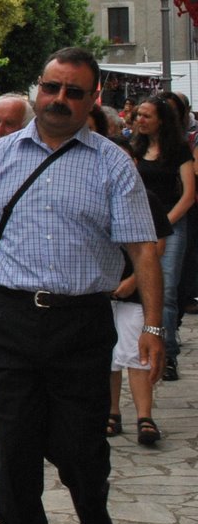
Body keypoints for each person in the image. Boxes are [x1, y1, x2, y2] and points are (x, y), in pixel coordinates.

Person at [0, 47, 163, 524]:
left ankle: (92, 505)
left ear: (92, 100)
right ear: (37, 89)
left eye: (74, 92)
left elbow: (142, 249)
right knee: (14, 453)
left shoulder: (114, 165)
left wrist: (154, 330)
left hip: (81, 323)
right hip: (13, 319)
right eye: (52, 88)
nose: (60, 100)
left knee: (78, 446)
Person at [109, 136, 171, 447]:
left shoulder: (147, 198)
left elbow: (156, 246)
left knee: (135, 352)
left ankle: (144, 415)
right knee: (108, 355)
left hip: (133, 288)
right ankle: (111, 411)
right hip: (100, 289)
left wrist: (133, 280)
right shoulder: (92, 194)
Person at [130, 94, 194, 382]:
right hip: (138, 226)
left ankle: (167, 354)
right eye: (138, 115)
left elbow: (189, 195)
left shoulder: (178, 150)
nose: (140, 120)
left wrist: (163, 224)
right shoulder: (133, 147)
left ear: (161, 121)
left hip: (171, 222)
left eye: (146, 116)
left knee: (166, 288)